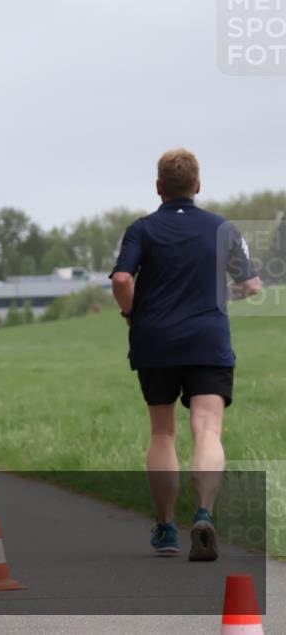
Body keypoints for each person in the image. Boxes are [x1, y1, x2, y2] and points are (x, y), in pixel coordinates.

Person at [110, 148, 261, 561]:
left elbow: (122, 277)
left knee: (163, 433)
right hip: (207, 340)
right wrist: (218, 293)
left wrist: (131, 312)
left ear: (158, 187)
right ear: (198, 185)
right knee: (207, 430)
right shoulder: (222, 228)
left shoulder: (141, 229)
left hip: (155, 340)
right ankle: (204, 514)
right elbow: (251, 286)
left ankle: (165, 528)